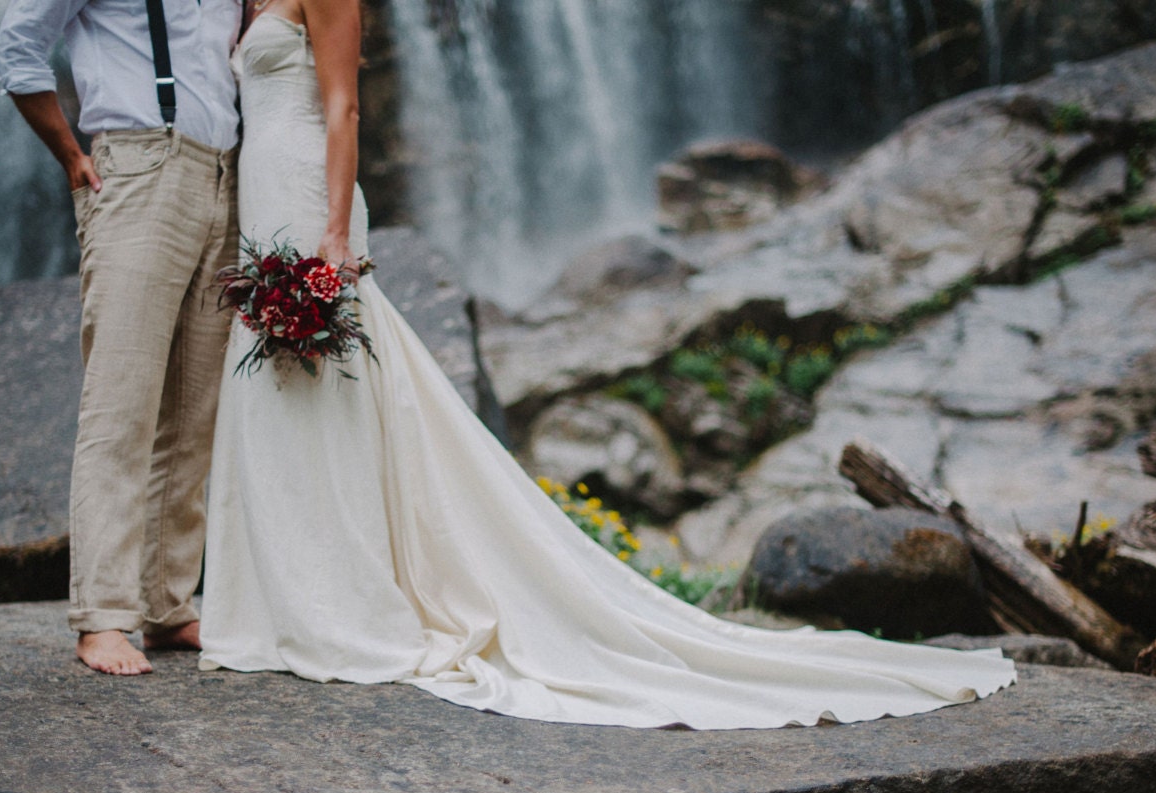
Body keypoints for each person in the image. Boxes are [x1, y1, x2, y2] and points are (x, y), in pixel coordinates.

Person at [199, 0, 1016, 728]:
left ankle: (346, 598)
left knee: (333, 390)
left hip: (311, 201)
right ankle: (283, 598)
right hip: (261, 205)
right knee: (276, 389)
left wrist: (335, 239)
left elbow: (342, 111)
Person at [0, 0, 243, 676]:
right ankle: (101, 618)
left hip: (226, 174)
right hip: (137, 168)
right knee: (121, 406)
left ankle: (168, 607)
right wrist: (72, 156)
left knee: (194, 413)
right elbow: (16, 48)